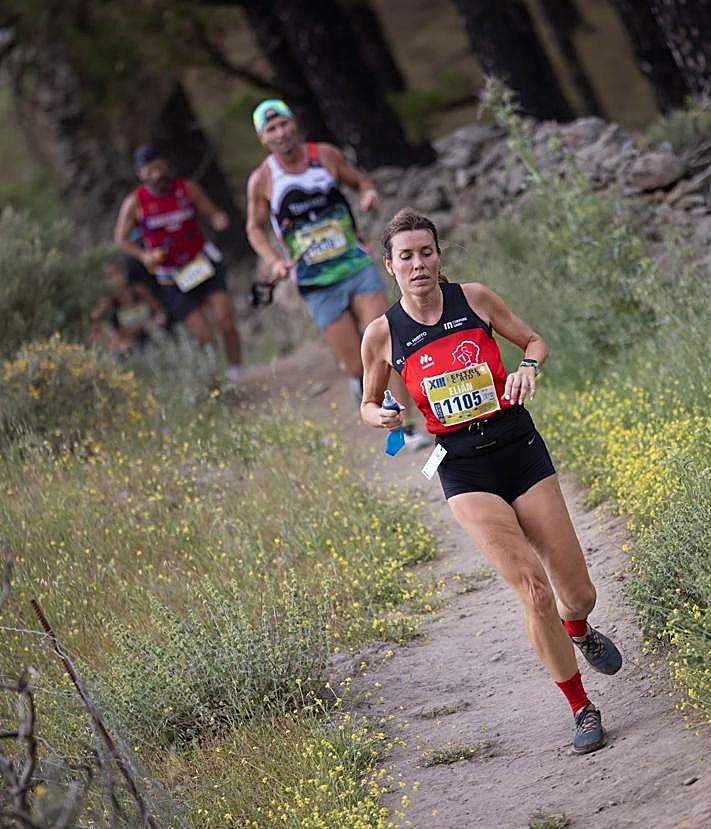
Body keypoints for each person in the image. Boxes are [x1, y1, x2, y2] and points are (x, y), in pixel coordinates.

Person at [360, 208, 622, 754]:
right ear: (390, 266)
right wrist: (380, 416)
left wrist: (529, 367)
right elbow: (366, 402)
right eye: (405, 257)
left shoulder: (474, 299)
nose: (418, 264)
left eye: (425, 252)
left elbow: (535, 342)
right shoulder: (381, 334)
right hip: (462, 468)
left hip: (520, 450)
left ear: (439, 256)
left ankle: (580, 629)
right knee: (532, 587)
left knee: (577, 593)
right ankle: (581, 707)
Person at [245, 99, 428, 449]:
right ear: (262, 138)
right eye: (271, 129)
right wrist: (273, 259)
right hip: (315, 282)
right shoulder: (263, 180)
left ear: (294, 123)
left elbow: (360, 182)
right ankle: (360, 383)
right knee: (354, 362)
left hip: (355, 265)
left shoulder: (324, 156)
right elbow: (254, 229)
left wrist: (369, 193)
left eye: (283, 123)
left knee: (384, 345)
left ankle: (406, 429)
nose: (280, 132)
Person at [114, 144, 242, 383]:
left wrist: (218, 219)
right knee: (203, 335)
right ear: (141, 174)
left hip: (202, 263)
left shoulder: (186, 189)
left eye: (160, 167)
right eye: (150, 170)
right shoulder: (135, 202)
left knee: (225, 319)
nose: (157, 174)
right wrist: (144, 256)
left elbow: (211, 211)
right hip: (171, 276)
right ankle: (215, 381)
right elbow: (120, 239)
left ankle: (236, 371)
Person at [90, 254, 168, 358]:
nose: (115, 279)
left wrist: (157, 322)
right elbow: (95, 334)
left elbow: (160, 311)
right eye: (109, 276)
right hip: (128, 349)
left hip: (151, 338)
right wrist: (115, 345)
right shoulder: (106, 305)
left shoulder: (138, 291)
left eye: (116, 272)